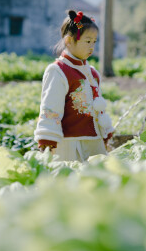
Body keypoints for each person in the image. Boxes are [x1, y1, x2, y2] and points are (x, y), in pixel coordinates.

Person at [34, 10, 114, 162]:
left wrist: (105, 131)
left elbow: (99, 107)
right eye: (87, 41)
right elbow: (51, 107)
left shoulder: (92, 73)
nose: (92, 47)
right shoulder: (58, 71)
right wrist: (47, 140)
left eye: (94, 42)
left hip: (93, 143)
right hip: (68, 144)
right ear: (69, 41)